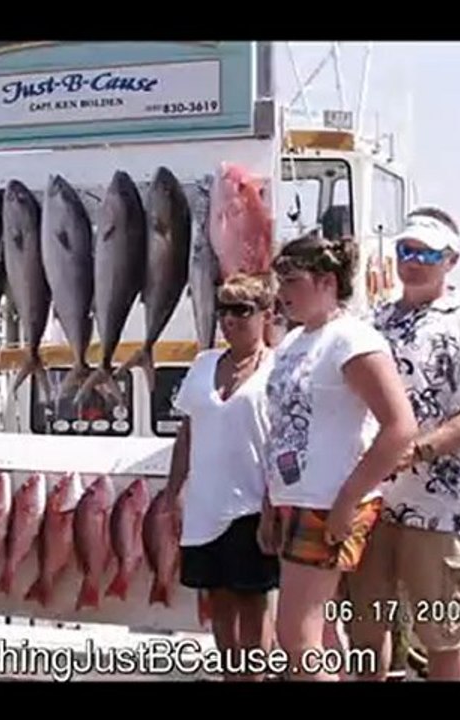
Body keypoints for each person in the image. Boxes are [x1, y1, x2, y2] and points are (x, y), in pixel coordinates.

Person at [345, 207, 460, 681]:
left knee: (444, 633)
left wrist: (418, 449)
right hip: (373, 501)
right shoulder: (371, 322)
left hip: (443, 507)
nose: (414, 260)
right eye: (406, 250)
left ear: (452, 260)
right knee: (365, 627)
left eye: (427, 253)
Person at [259, 231, 418, 681]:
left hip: (328, 499)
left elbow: (400, 426)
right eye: (279, 281)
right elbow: (283, 428)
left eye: (291, 281)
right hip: (295, 496)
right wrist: (271, 501)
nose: (282, 293)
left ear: (327, 281)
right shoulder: (291, 344)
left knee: (296, 634)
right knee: (320, 631)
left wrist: (349, 499)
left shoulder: (351, 339)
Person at [163, 272, 282, 682]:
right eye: (224, 310)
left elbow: (285, 443)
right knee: (219, 601)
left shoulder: (279, 368)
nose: (230, 320)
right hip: (205, 506)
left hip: (253, 504)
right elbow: (187, 431)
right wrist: (174, 490)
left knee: (254, 603)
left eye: (242, 310)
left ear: (266, 315)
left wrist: (272, 507)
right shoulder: (203, 364)